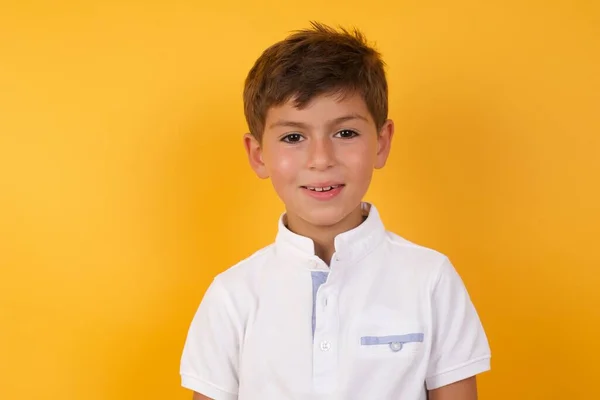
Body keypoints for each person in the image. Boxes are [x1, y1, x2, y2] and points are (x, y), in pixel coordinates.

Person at [180, 21, 491, 400]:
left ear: (381, 142)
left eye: (345, 133)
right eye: (293, 137)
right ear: (258, 155)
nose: (321, 160)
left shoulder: (430, 280)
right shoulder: (232, 296)